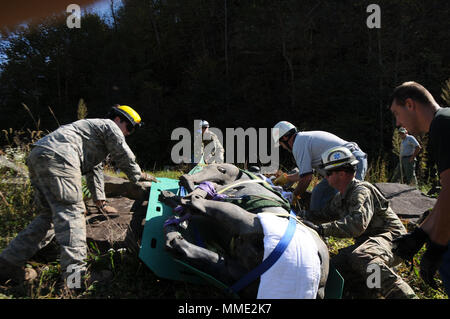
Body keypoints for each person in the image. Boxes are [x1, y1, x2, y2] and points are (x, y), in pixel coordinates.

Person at [0, 105, 158, 289]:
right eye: (130, 128)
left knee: (48, 218)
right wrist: (139, 176)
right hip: (60, 157)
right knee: (73, 216)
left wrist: (100, 200)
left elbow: (95, 169)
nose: (128, 134)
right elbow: (122, 153)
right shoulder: (109, 126)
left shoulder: (90, 135)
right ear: (119, 119)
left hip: (39, 155)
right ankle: (75, 281)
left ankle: (7, 266)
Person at [301, 146, 417, 298]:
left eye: (328, 173)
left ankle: (403, 296)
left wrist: (321, 229)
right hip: (371, 242)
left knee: (363, 256)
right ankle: (368, 293)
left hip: (393, 238)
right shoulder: (342, 196)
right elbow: (324, 214)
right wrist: (301, 215)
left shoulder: (361, 192)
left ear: (341, 174)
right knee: (337, 264)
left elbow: (357, 225)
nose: (325, 177)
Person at [389, 81, 450, 295]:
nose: (398, 123)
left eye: (397, 113)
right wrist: (422, 233)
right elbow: (446, 193)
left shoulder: (442, 125)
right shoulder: (444, 120)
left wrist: (436, 248)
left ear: (410, 104)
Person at [272, 121, 368, 211]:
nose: (284, 148)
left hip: (351, 163)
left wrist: (294, 196)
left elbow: (306, 178)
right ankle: (321, 223)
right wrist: (287, 178)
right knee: (319, 194)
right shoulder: (303, 139)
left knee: (352, 202)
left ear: (284, 138)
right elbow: (305, 173)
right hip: (340, 168)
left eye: (281, 144)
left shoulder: (298, 144)